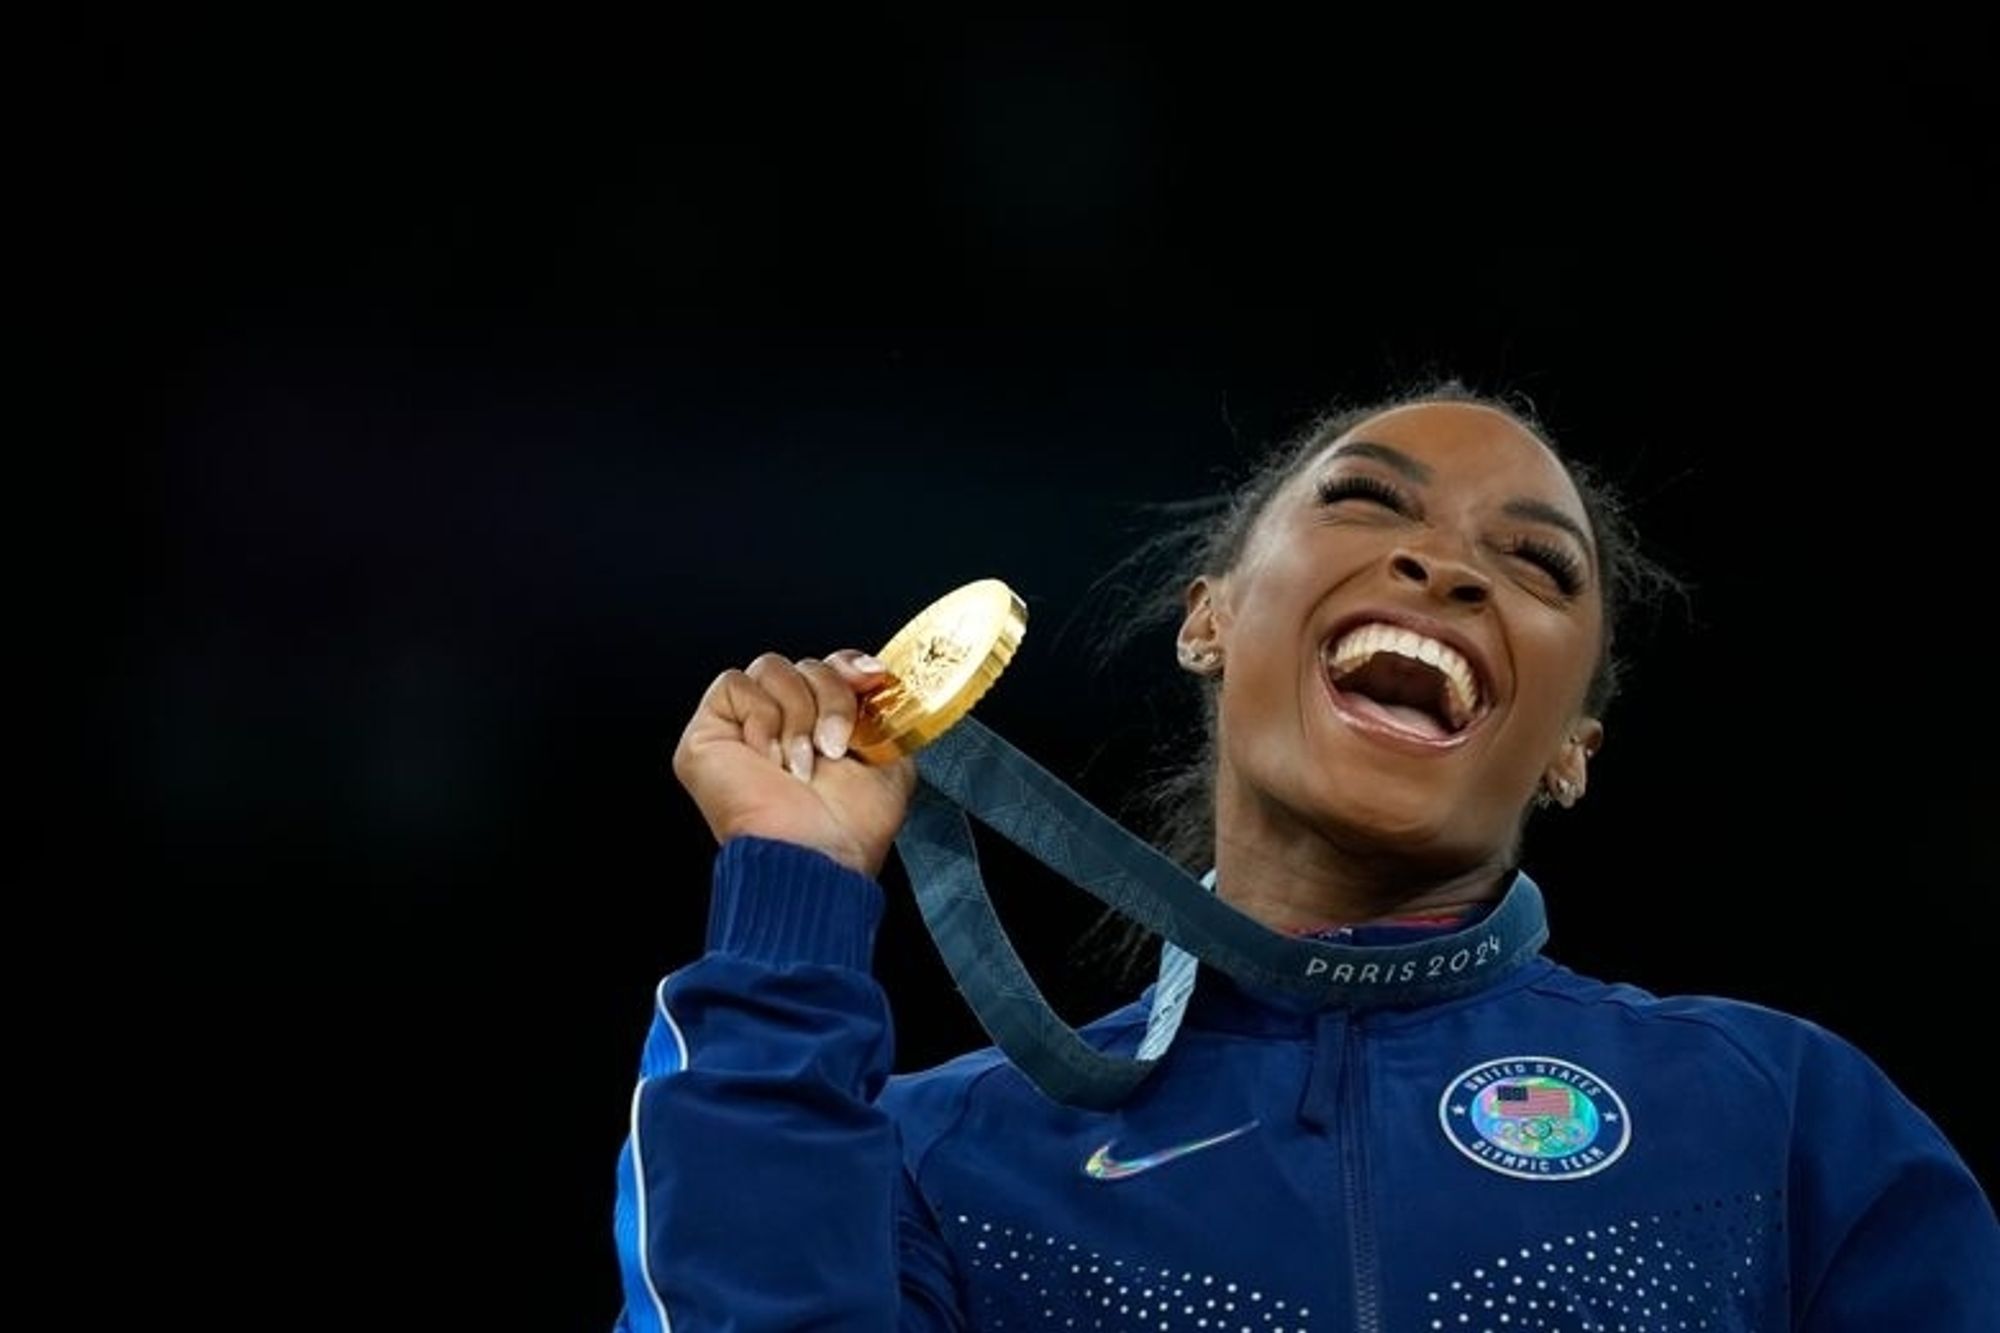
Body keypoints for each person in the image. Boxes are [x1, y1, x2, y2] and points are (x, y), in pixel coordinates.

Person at [609, 380, 2000, 1331]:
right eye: (1367, 505)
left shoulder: (1791, 1124)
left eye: (1537, 565)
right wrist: (791, 890)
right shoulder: (945, 1162)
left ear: (1575, 743)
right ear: (1210, 618)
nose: (1443, 569)